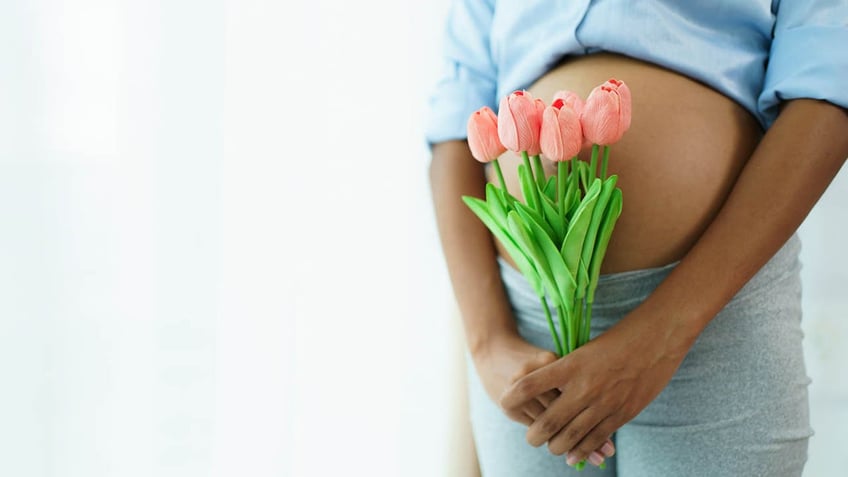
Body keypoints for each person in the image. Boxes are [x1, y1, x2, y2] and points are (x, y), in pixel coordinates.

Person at [425, 1, 848, 476]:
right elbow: (453, 125)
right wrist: (488, 342)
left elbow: (828, 89)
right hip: (525, 333)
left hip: (708, 326)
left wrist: (665, 333)